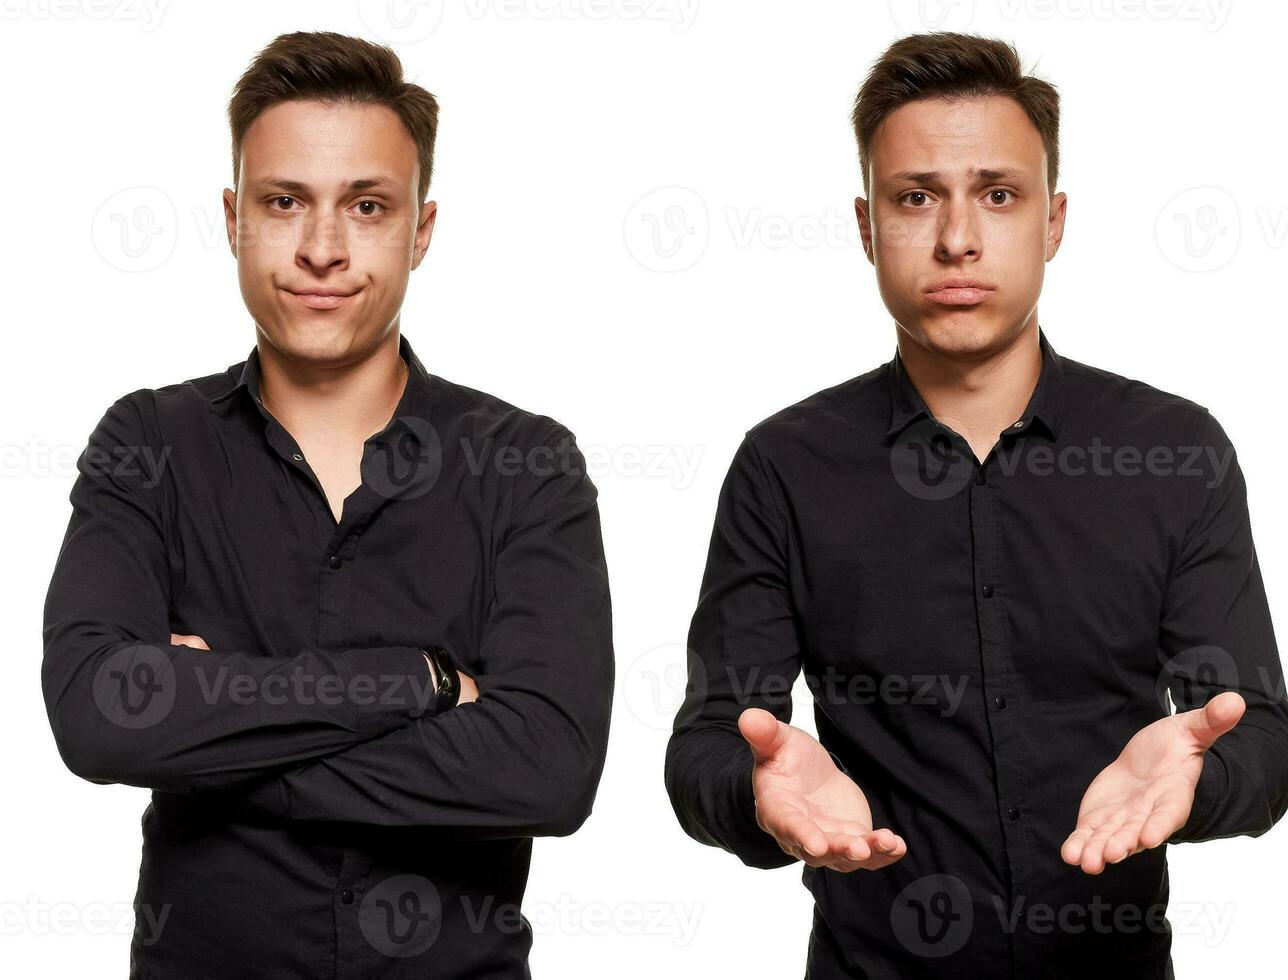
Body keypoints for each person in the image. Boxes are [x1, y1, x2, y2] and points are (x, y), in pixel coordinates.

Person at [664, 31, 1288, 978]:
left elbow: (1266, 739)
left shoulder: (1176, 454)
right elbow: (708, 742)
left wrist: (1200, 782)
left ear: (1055, 220)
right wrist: (761, 795)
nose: (958, 237)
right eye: (918, 197)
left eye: (999, 194)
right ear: (868, 226)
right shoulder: (785, 466)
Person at [42, 30, 613, 979]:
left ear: (421, 229)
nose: (321, 249)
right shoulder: (148, 443)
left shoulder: (525, 462)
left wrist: (213, 734)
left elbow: (549, 770)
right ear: (234, 218)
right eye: (283, 202)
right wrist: (418, 685)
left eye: (367, 206)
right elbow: (98, 713)